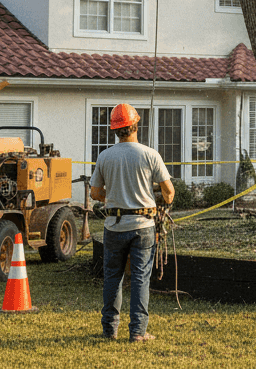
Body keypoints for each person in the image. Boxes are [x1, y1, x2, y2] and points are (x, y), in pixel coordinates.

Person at [90, 103, 174, 342]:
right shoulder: (150, 155)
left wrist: (114, 195)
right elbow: (169, 192)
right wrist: (158, 202)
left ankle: (109, 331)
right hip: (143, 225)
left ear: (115, 130)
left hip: (114, 226)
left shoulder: (105, 156)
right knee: (140, 278)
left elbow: (95, 193)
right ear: (136, 125)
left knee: (112, 278)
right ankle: (137, 332)